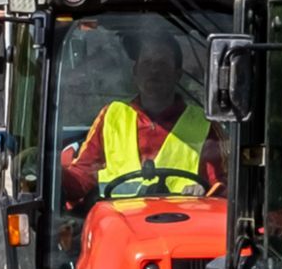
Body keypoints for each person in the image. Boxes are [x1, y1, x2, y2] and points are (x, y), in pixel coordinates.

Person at [62, 36, 221, 206]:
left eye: (162, 64)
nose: (154, 70)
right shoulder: (111, 116)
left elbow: (221, 184)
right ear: (135, 72)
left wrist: (204, 190)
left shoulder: (205, 123)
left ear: (177, 74)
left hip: (183, 225)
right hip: (115, 226)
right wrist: (52, 176)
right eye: (147, 63)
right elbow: (83, 175)